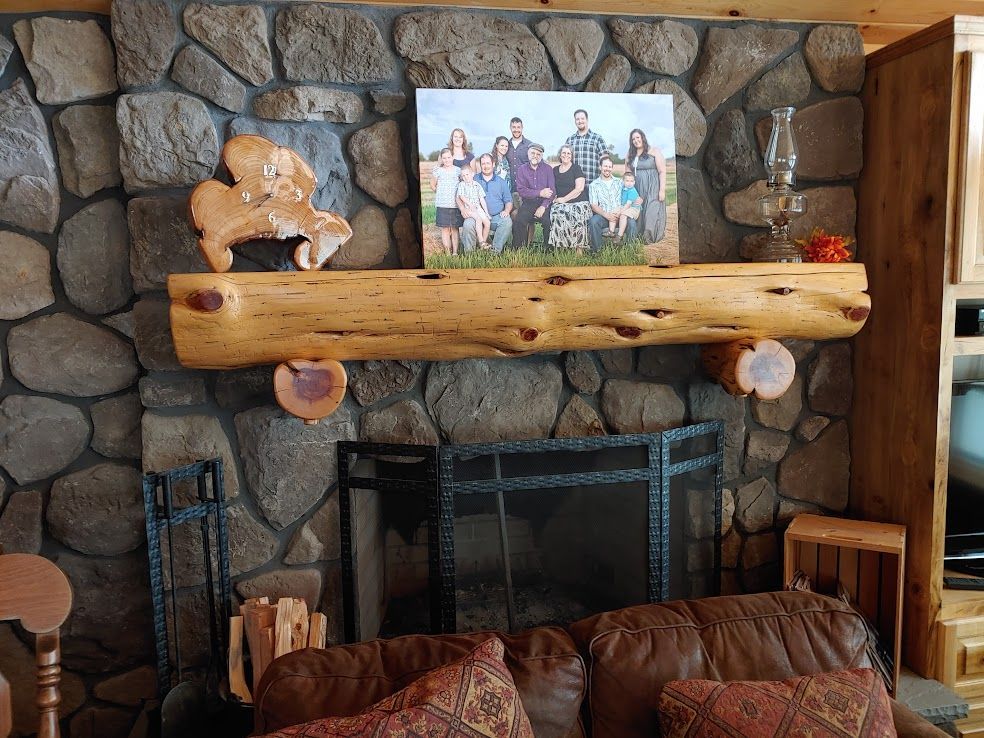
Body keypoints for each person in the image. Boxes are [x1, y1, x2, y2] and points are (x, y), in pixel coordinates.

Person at [461, 153, 513, 253]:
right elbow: (459, 195)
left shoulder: (501, 181)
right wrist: (463, 209)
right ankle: (470, 254)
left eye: (488, 163)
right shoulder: (473, 179)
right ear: (480, 165)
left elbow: (508, 200)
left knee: (507, 222)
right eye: (483, 164)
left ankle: (494, 251)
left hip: (496, 216)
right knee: (468, 224)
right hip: (476, 215)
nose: (486, 166)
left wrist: (507, 210)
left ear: (493, 164)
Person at [625, 128, 668, 243]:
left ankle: (650, 237)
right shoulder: (630, 154)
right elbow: (627, 174)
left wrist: (662, 190)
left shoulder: (654, 151)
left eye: (637, 137)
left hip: (653, 187)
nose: (636, 140)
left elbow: (662, 171)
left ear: (642, 137)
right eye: (633, 139)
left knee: (651, 212)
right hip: (638, 188)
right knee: (640, 211)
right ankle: (638, 236)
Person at [512, 142, 555, 249]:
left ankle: (549, 251)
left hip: (544, 203)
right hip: (528, 202)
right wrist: (540, 192)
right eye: (533, 153)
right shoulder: (522, 169)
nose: (535, 156)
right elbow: (522, 191)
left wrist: (543, 206)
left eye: (538, 154)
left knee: (548, 222)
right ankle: (518, 249)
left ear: (541, 156)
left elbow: (552, 191)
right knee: (519, 220)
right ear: (528, 153)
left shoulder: (548, 169)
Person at [588, 155, 635, 250]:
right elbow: (593, 205)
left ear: (612, 168)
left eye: (609, 167)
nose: (607, 169)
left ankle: (631, 249)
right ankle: (597, 251)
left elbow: (631, 191)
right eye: (605, 166)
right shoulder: (594, 185)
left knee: (632, 222)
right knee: (593, 222)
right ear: (600, 167)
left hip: (620, 215)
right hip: (604, 216)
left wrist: (622, 211)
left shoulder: (619, 182)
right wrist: (606, 215)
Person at [548, 144, 590, 250]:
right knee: (557, 214)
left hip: (579, 201)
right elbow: (551, 186)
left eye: (568, 153)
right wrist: (554, 197)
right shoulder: (555, 170)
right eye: (564, 153)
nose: (566, 155)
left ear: (571, 156)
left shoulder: (576, 168)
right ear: (560, 155)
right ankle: (561, 247)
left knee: (576, 214)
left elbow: (579, 188)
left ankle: (579, 248)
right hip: (561, 202)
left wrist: (564, 199)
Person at [565, 109, 613, 186]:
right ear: (575, 121)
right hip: (574, 186)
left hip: (594, 185)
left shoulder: (597, 138)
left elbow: (606, 161)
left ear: (587, 120)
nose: (580, 121)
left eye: (582, 118)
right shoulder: (570, 140)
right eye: (577, 119)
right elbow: (565, 162)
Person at [430, 148, 462, 255]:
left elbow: (462, 186)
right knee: (445, 229)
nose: (447, 160)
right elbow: (432, 185)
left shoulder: (458, 170)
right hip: (442, 204)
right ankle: (448, 253)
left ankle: (455, 252)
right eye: (444, 158)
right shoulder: (438, 171)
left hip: (455, 205)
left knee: (454, 229)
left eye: (449, 157)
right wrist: (440, 193)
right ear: (441, 159)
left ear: (452, 157)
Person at [456, 166, 490, 247]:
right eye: (463, 176)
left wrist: (486, 213)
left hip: (478, 208)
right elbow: (461, 196)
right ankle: (481, 241)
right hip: (468, 208)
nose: (465, 177)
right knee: (478, 219)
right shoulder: (462, 184)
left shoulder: (477, 185)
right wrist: (470, 204)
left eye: (467, 174)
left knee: (487, 223)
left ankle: (483, 243)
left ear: (472, 174)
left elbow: (482, 200)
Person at [504, 117, 531, 191]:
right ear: (510, 128)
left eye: (518, 127)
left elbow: (539, 165)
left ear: (522, 128)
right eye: (514, 127)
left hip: (526, 188)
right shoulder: (506, 146)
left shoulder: (530, 145)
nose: (516, 130)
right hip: (509, 189)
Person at [615, 171, 643, 241]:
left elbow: (628, 205)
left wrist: (620, 212)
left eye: (631, 181)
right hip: (626, 207)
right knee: (614, 211)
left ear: (634, 182)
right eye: (627, 181)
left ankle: (619, 235)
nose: (629, 183)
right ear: (623, 182)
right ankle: (611, 231)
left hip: (634, 208)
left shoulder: (632, 191)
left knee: (623, 215)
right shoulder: (624, 188)